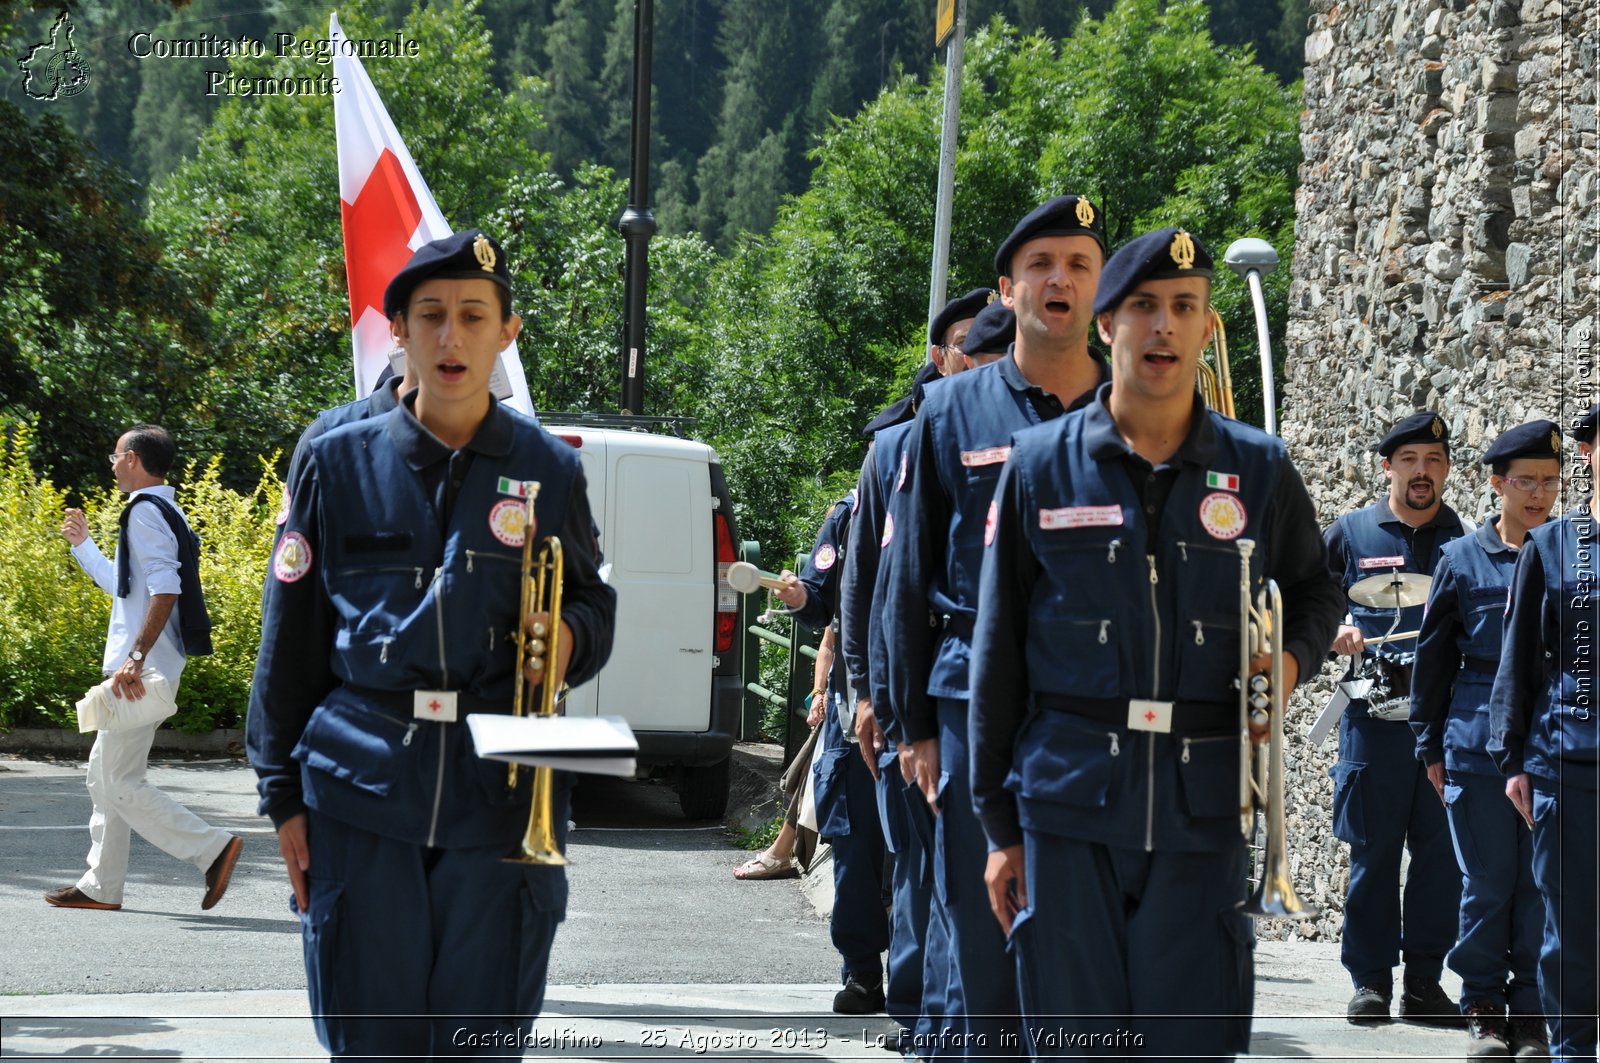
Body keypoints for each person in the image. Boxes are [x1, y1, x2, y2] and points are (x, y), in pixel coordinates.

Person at [968, 227, 1344, 1057]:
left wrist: (1285, 661)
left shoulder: (1260, 468)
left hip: (1203, 811)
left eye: (1184, 308)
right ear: (1107, 323)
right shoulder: (1038, 465)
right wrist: (999, 827)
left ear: (1210, 329)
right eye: (1142, 306)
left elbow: (1318, 590)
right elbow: (996, 653)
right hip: (1066, 811)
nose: (1163, 326)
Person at [246, 230, 617, 1057]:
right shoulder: (334, 461)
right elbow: (290, 636)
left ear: (506, 333)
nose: (452, 337)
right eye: (433, 316)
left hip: (503, 795)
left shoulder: (551, 470)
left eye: (474, 317)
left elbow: (594, 601)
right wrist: (280, 793)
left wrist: (568, 635)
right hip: (359, 791)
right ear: (400, 331)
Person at [884, 195, 1108, 1058]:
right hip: (971, 701)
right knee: (983, 945)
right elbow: (908, 581)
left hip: (1092, 707)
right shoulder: (950, 413)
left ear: (1098, 291)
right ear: (1008, 290)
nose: (1061, 279)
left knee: (1084, 945)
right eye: (1042, 265)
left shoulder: (1135, 411)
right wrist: (912, 726)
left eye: (1080, 264)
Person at [839, 286, 999, 1053]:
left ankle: (950, 1019)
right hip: (923, 690)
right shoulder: (901, 443)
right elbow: (871, 580)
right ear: (940, 357)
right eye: (967, 342)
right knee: (923, 865)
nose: (976, 355)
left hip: (988, 697)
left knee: (970, 876)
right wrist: (868, 692)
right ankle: (919, 1010)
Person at [1410, 420, 1562, 1057]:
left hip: (1546, 747)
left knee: (1538, 884)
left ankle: (1529, 1005)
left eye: (1550, 482)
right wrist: (1429, 744)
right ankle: (1482, 1003)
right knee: (1488, 880)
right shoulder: (1461, 560)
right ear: (1497, 485)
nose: (1537, 494)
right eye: (1524, 481)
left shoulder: (1567, 552)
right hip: (1473, 746)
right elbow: (1433, 657)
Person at [48, 424, 243, 913]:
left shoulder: (143, 513)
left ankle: (211, 849)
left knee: (117, 781)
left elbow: (165, 589)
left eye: (115, 457)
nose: (112, 465)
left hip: (140, 672)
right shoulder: (161, 509)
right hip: (147, 667)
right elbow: (127, 587)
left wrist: (134, 659)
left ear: (133, 459)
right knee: (104, 774)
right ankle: (101, 886)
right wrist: (83, 546)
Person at [1324, 409, 1469, 1025]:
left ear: (1445, 471)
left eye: (1433, 461)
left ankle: (1426, 980)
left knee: (1440, 859)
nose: (1422, 472)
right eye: (1410, 461)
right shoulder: (1350, 533)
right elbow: (1308, 607)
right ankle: (1370, 980)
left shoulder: (1461, 538)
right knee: (1373, 855)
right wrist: (1335, 632)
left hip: (1439, 724)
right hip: (1371, 721)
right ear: (1388, 467)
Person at [1490, 402, 1600, 1063]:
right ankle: (1574, 1051)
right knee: (1574, 932)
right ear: (1588, 451)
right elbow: (1519, 658)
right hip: (1572, 766)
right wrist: (1513, 757)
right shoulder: (1554, 545)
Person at [772, 493, 892, 1015]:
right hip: (854, 720)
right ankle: (865, 975)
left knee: (925, 859)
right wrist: (799, 597)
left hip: (933, 708)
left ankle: (924, 987)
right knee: (857, 852)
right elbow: (819, 604)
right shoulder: (851, 512)